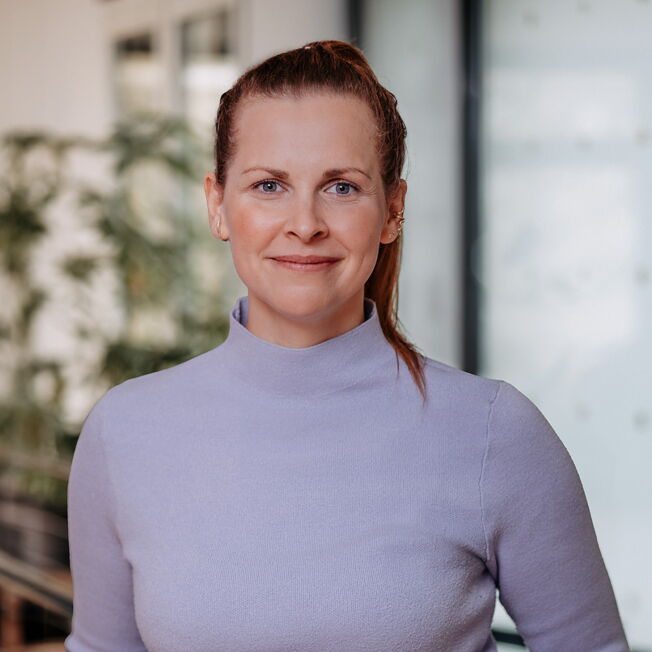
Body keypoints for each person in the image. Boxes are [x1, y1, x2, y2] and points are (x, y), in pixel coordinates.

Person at [64, 40, 630, 652]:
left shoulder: (496, 434)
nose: (305, 223)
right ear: (217, 204)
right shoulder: (124, 433)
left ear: (392, 210)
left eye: (340, 187)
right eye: (268, 185)